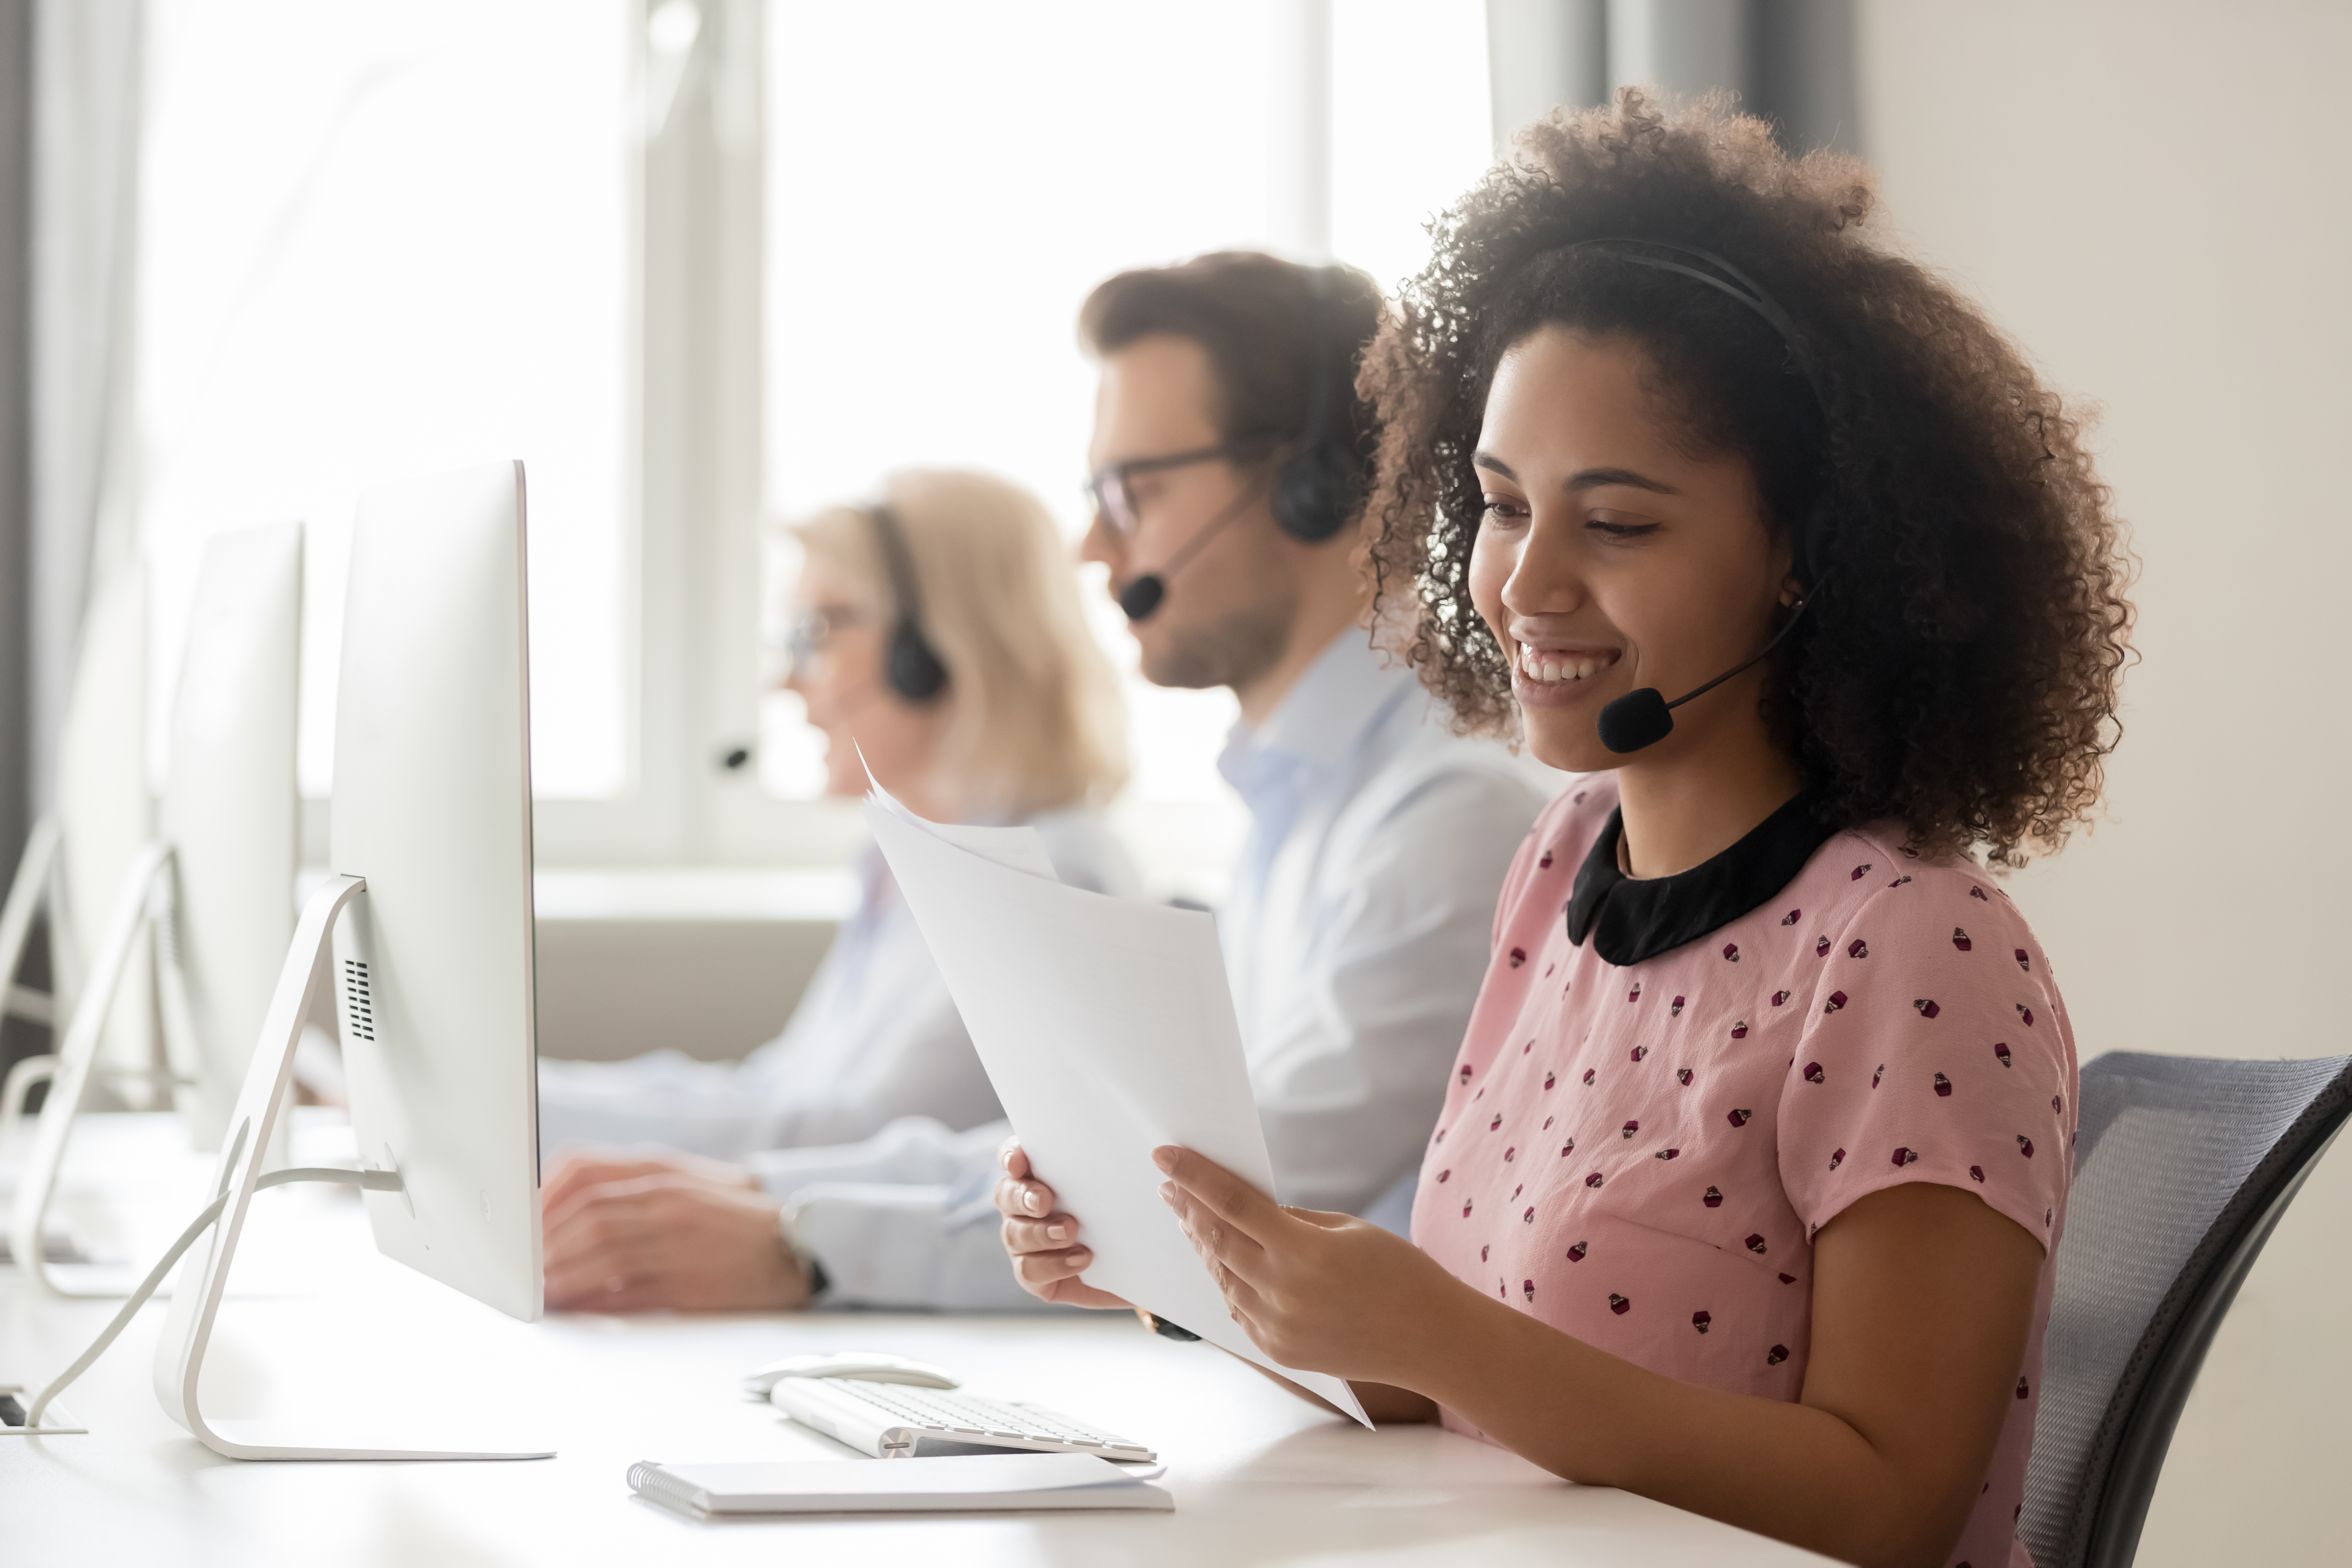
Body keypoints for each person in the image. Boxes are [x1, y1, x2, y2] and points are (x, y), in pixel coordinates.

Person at [999, 92, 2132, 1568]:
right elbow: (1469, 1395)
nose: (1523, 585)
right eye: (1497, 504)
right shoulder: (1557, 869)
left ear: (1803, 555)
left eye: (1617, 524)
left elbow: (1890, 1503)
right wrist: (1184, 1272)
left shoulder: (1913, 945)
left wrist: (1440, 1336)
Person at [595, 251, 1547, 1314]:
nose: (1092, 545)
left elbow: (1228, 1195)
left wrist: (809, 1240)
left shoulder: (1444, 817)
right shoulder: (1303, 809)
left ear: (1310, 488)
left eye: (1131, 492)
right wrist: (781, 1204)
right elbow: (1113, 1152)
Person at [537, 468, 1136, 1311]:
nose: (790, 683)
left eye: (816, 633)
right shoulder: (906, 865)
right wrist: (511, 1095)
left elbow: (852, 1133)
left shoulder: (1048, 879)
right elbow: (773, 1094)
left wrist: (509, 1117)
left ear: (931, 650)